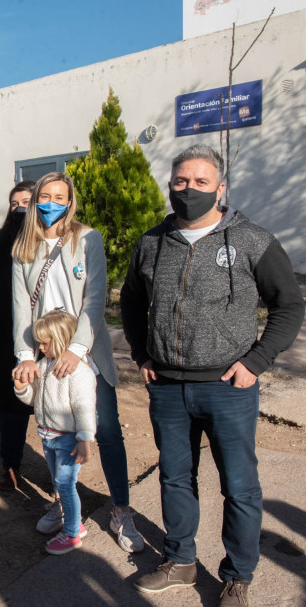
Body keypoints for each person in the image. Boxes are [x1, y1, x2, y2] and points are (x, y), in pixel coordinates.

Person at [121, 144, 305, 606]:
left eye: (201, 182)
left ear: (220, 188)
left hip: (228, 387)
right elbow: (130, 301)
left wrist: (256, 362)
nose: (189, 190)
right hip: (166, 387)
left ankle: (237, 575)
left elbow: (288, 305)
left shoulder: (251, 240)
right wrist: (143, 353)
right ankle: (180, 560)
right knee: (175, 478)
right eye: (181, 181)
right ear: (170, 185)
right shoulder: (150, 243)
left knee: (239, 487)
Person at [11, 172, 143, 553]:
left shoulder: (87, 239)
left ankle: (121, 509)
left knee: (107, 431)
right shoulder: (24, 247)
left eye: (60, 196)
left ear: (70, 202)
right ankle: (62, 499)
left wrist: (78, 349)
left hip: (85, 353)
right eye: (45, 196)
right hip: (48, 354)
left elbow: (95, 299)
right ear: (35, 199)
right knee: (53, 430)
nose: (52, 202)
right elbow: (21, 308)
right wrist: (26, 357)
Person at [14, 310, 95, 555]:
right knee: (59, 484)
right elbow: (34, 400)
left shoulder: (79, 371)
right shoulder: (43, 364)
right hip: (47, 435)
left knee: (65, 483)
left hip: (68, 438)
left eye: (44, 342)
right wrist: (21, 390)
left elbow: (84, 407)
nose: (40, 346)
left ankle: (72, 533)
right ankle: (69, 520)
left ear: (61, 339)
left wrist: (84, 438)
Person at [0, 180, 34, 491]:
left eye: (27, 202)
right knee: (12, 406)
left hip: (45, 340)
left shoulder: (49, 243)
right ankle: (10, 465)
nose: (20, 208)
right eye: (15, 203)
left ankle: (59, 475)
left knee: (50, 407)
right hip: (6, 336)